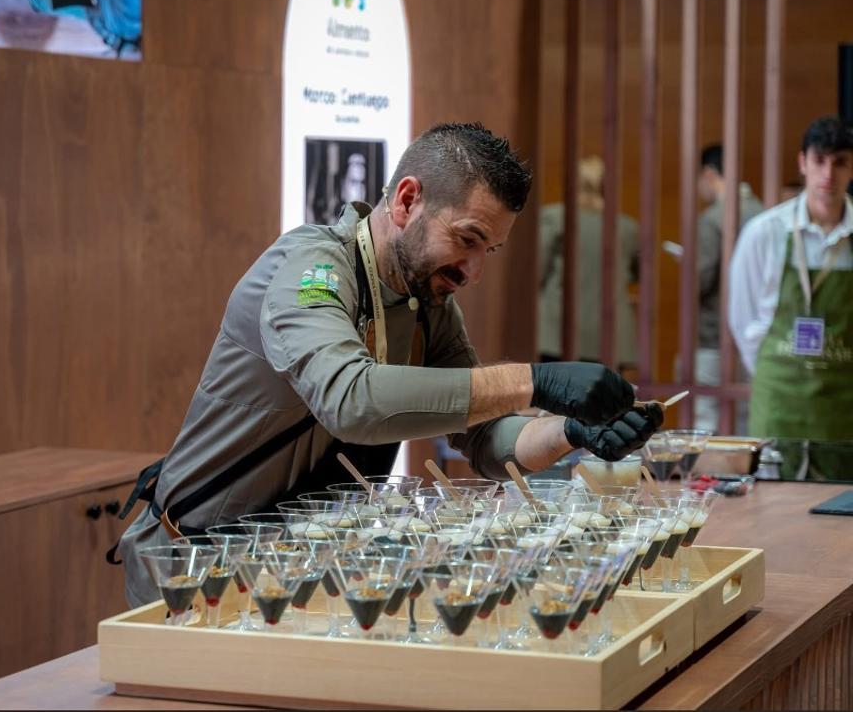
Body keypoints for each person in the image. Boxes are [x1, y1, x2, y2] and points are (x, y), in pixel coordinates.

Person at [112, 123, 664, 605]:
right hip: (196, 563)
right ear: (406, 201)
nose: (473, 272)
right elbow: (351, 402)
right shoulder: (311, 269)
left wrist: (569, 432)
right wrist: (535, 380)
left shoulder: (428, 305)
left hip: (302, 568)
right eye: (466, 240)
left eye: (487, 252)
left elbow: (486, 440)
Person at [728, 116, 853, 480]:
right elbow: (743, 320)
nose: (828, 173)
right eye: (819, 160)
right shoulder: (764, 232)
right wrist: (779, 368)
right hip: (779, 399)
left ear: (851, 167)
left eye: (840, 162)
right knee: (772, 515)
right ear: (803, 162)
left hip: (844, 406)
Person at [537, 156, 641, 371]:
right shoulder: (627, 227)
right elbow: (638, 273)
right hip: (610, 333)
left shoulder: (554, 218)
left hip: (558, 329)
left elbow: (536, 271)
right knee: (603, 401)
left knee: (556, 398)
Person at [691, 144, 763, 432]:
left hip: (714, 333)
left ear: (709, 174)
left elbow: (702, 279)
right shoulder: (764, 213)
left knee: (707, 413)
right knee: (746, 416)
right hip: (754, 334)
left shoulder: (712, 219)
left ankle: (703, 478)